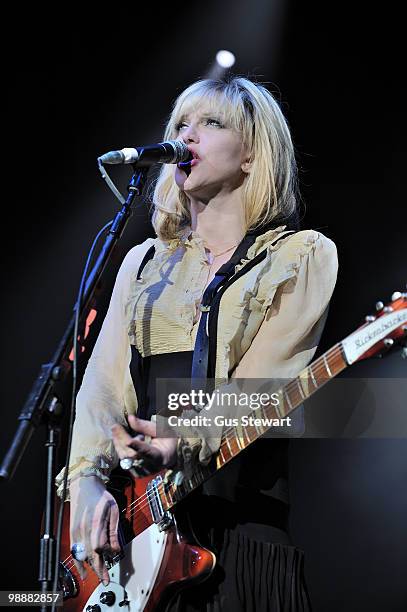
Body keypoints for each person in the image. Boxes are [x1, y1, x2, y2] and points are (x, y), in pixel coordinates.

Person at [56, 75, 338, 610]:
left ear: (253, 154)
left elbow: (261, 386)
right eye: (181, 124)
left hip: (239, 528)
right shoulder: (144, 263)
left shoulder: (299, 257)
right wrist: (87, 485)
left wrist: (177, 440)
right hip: (141, 539)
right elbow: (101, 386)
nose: (188, 136)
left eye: (210, 124)